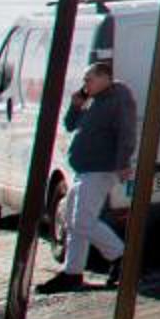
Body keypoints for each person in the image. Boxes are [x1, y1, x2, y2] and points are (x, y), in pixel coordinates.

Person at [35, 59, 135, 295]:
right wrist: (76, 106)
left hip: (101, 168)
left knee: (83, 221)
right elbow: (70, 125)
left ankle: (121, 257)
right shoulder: (93, 100)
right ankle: (72, 272)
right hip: (83, 169)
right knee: (72, 221)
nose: (85, 84)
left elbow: (127, 132)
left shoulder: (119, 98)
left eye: (89, 79)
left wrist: (122, 163)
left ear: (105, 78)